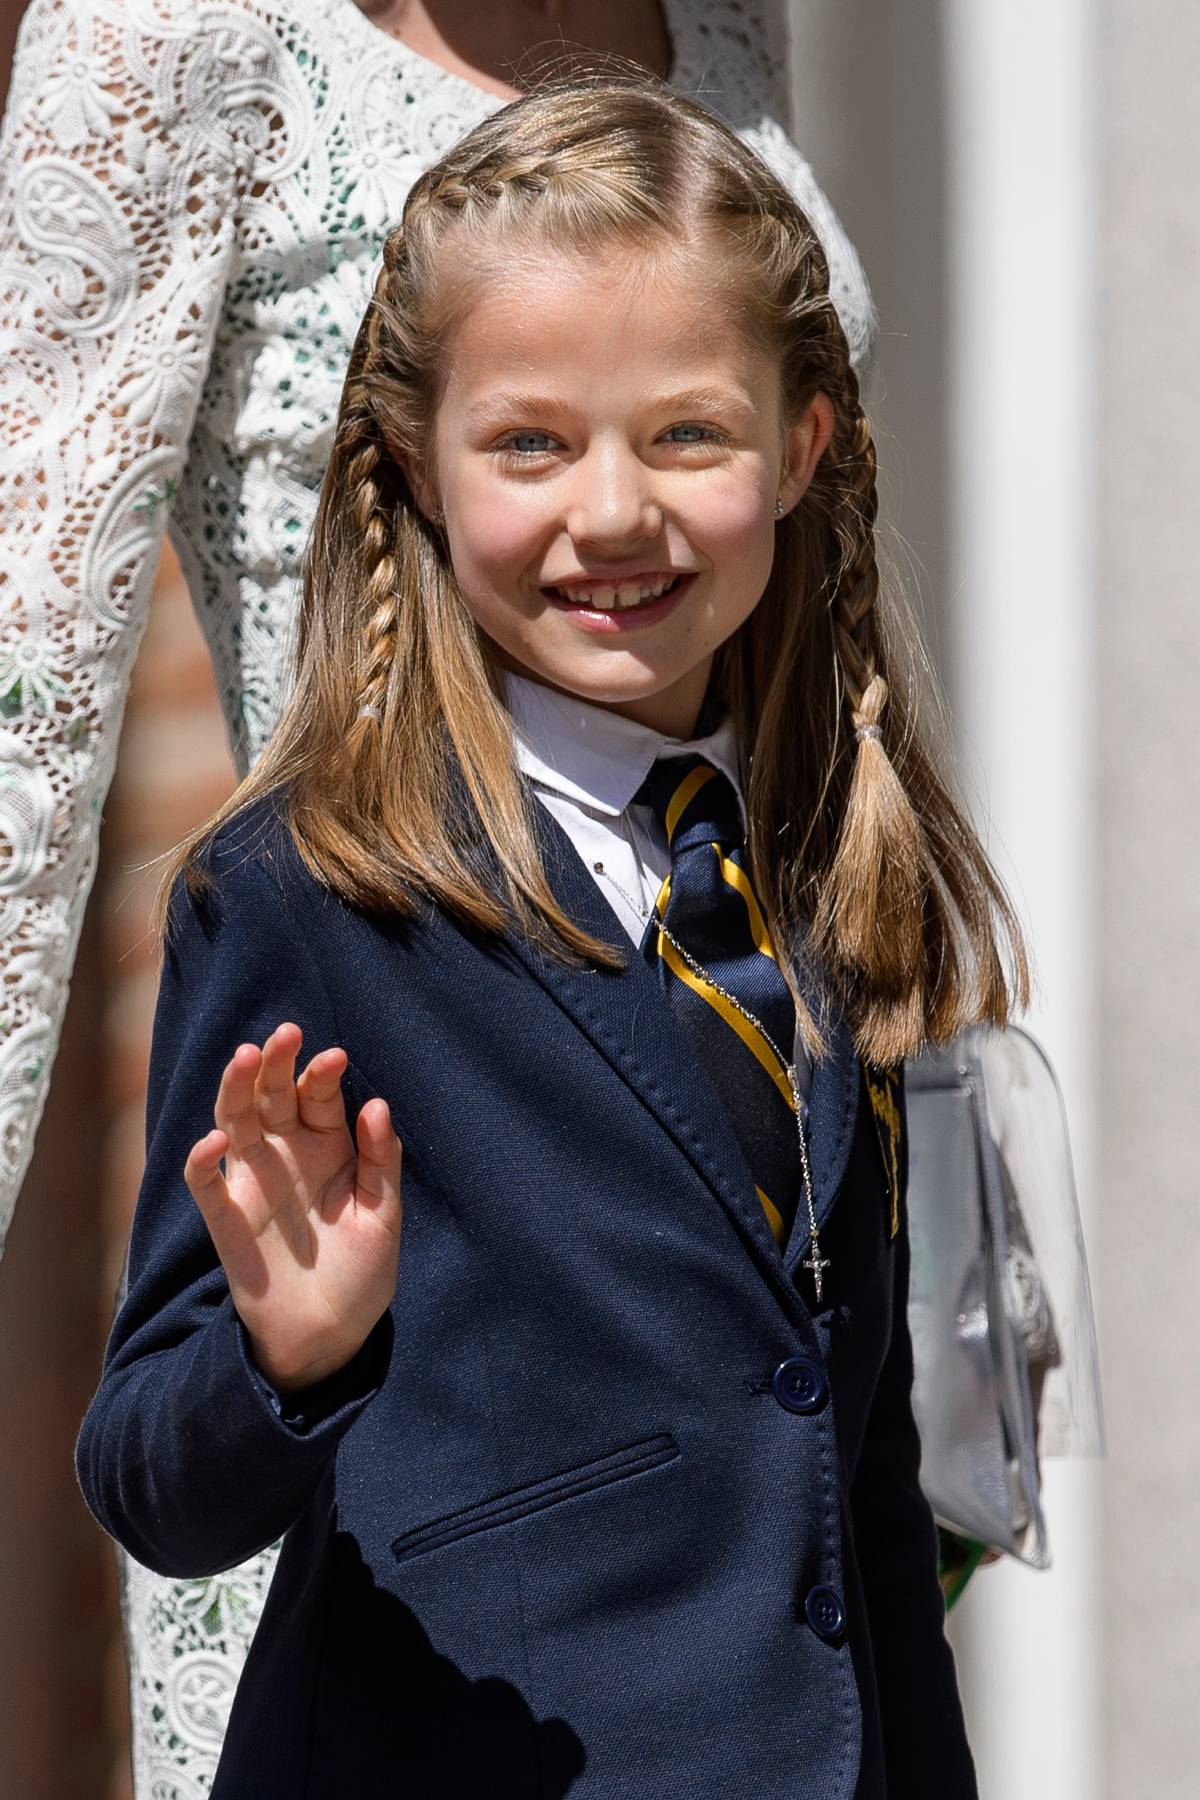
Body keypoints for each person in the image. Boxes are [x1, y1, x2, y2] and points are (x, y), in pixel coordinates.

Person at [75, 70, 1029, 1797]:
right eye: (531, 442)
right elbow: (152, 1474)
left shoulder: (824, 866)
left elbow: (859, 1472)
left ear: (803, 445)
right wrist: (288, 1349)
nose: (611, 512)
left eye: (687, 433)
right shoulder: (301, 891)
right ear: (416, 471)